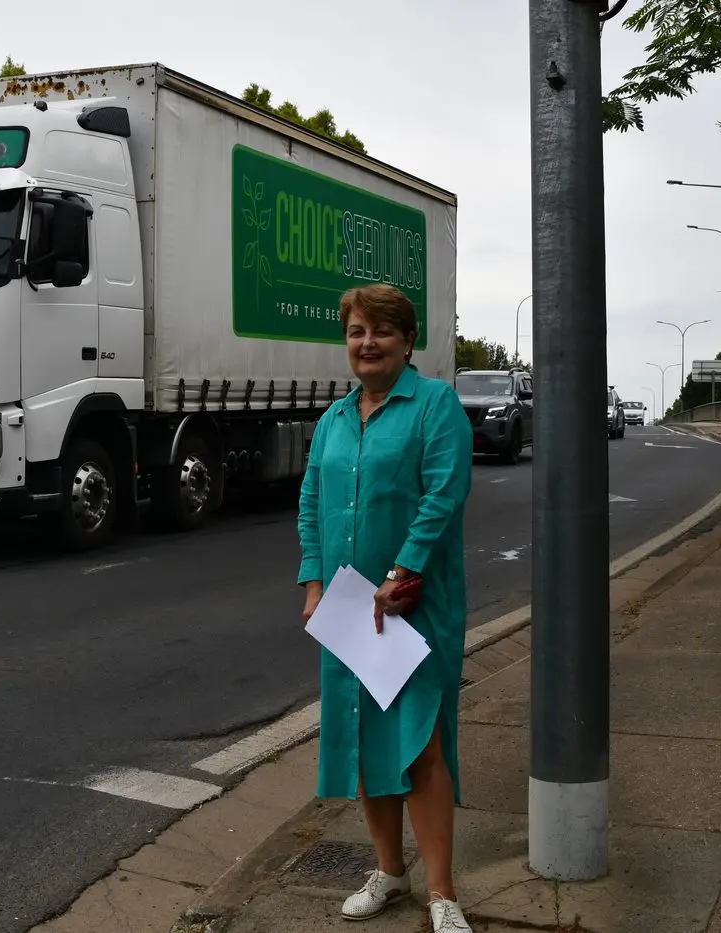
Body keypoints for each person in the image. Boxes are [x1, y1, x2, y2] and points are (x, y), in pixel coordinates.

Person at [297, 283, 474, 932]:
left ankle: (441, 892)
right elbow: (311, 504)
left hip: (413, 606)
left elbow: (442, 495)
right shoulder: (332, 421)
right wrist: (313, 583)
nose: (365, 343)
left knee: (421, 742)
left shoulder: (434, 406)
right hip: (349, 606)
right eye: (354, 332)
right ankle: (389, 871)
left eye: (380, 332)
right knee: (369, 739)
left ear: (406, 340)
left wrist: (403, 570)